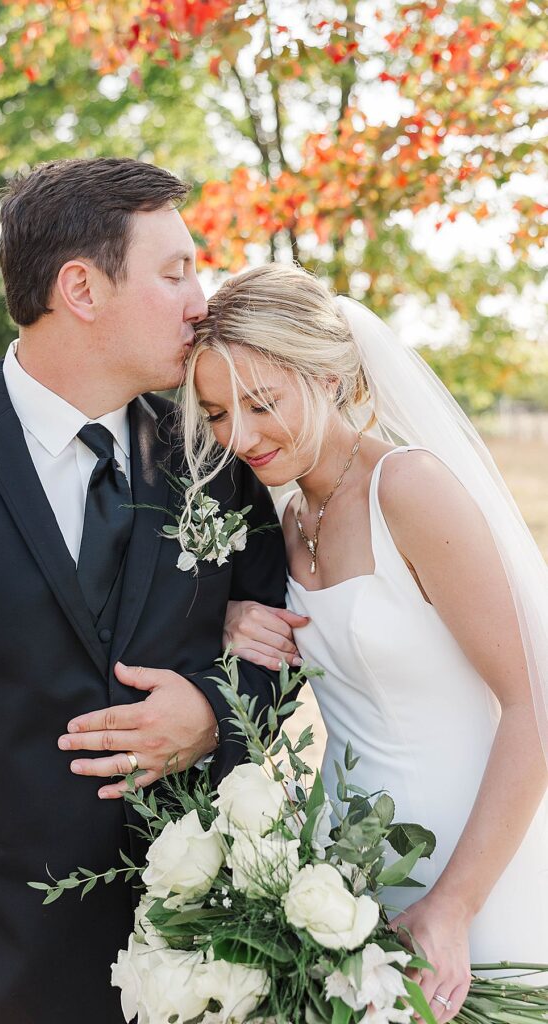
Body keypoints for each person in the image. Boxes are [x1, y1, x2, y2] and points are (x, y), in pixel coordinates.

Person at [0, 159, 288, 1024]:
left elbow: (287, 642)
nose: (200, 301)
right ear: (81, 288)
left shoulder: (216, 455)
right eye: (173, 272)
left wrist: (215, 710)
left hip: (208, 953)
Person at [182, 262, 548, 1024]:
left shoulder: (408, 489)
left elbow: (533, 705)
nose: (238, 436)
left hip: (473, 865)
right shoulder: (288, 518)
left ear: (330, 375)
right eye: (217, 413)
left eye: (261, 403)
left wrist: (453, 905)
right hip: (346, 876)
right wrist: (228, 622)